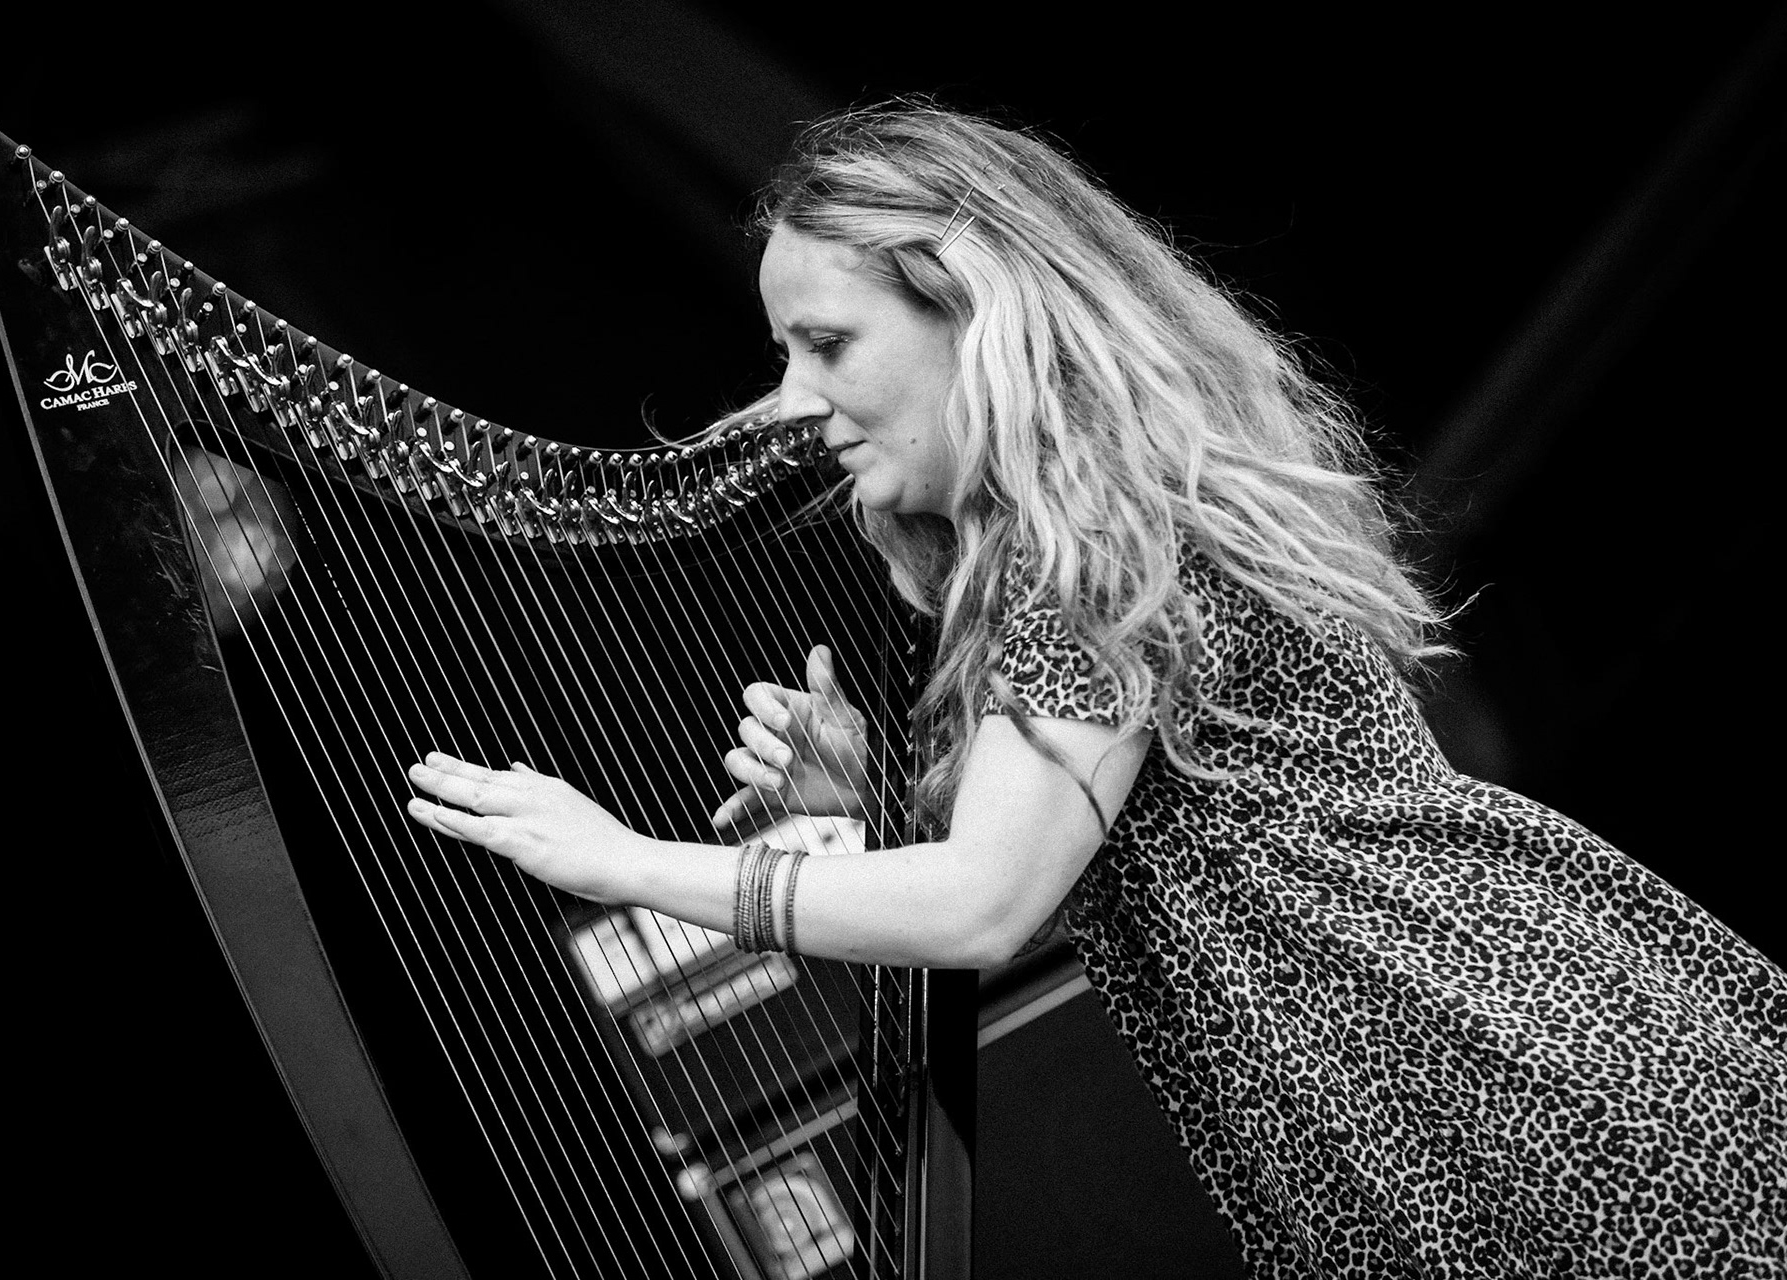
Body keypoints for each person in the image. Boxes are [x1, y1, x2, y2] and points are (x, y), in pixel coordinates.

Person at [406, 102, 1786, 1277]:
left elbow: (984, 905)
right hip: (1447, 1070)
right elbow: (1094, 864)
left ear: (975, 311)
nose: (791, 402)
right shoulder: (1090, 524)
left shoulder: (1090, 541)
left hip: (1483, 1073)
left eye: (826, 344)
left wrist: (621, 861)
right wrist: (863, 808)